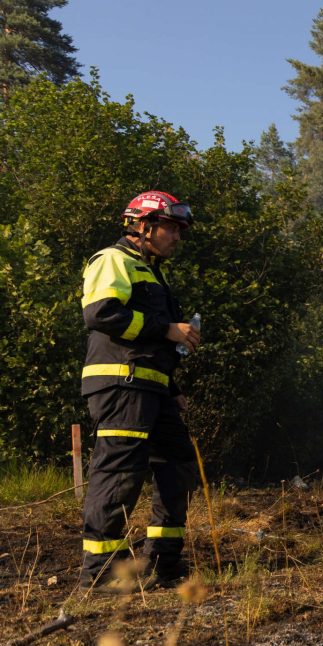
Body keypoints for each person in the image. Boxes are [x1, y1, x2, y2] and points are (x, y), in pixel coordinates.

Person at [78, 190, 201, 593]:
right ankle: (101, 574)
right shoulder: (113, 259)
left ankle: (162, 563)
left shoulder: (151, 272)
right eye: (171, 228)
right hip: (121, 383)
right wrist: (167, 328)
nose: (177, 237)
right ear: (143, 225)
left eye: (180, 230)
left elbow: (153, 346)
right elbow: (101, 313)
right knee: (120, 474)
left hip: (152, 386)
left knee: (179, 463)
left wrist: (173, 386)